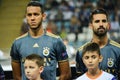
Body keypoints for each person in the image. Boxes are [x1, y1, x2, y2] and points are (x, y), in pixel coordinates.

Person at [10, 1, 71, 80]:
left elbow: (66, 74)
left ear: (43, 16)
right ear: (26, 17)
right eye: (29, 15)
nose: (32, 18)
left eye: (36, 14)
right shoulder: (17, 43)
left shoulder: (56, 41)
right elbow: (17, 76)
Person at [76, 8, 120, 80]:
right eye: (97, 21)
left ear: (108, 25)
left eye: (104, 21)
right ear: (90, 26)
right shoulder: (81, 51)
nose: (101, 24)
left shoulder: (118, 50)